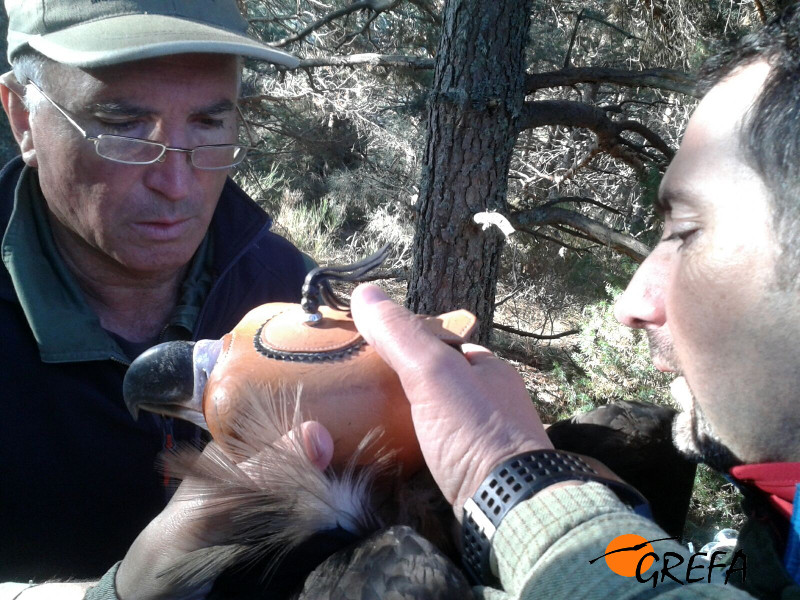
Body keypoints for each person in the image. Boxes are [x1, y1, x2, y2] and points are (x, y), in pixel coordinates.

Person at [59, 6, 798, 600]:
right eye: (123, 124)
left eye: (687, 230)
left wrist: (506, 477)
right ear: (24, 120)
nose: (630, 303)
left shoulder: (278, 269)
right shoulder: (778, 500)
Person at [0, 0, 313, 591]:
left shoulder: (296, 300)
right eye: (122, 126)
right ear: (22, 118)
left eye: (209, 123)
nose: (176, 184)